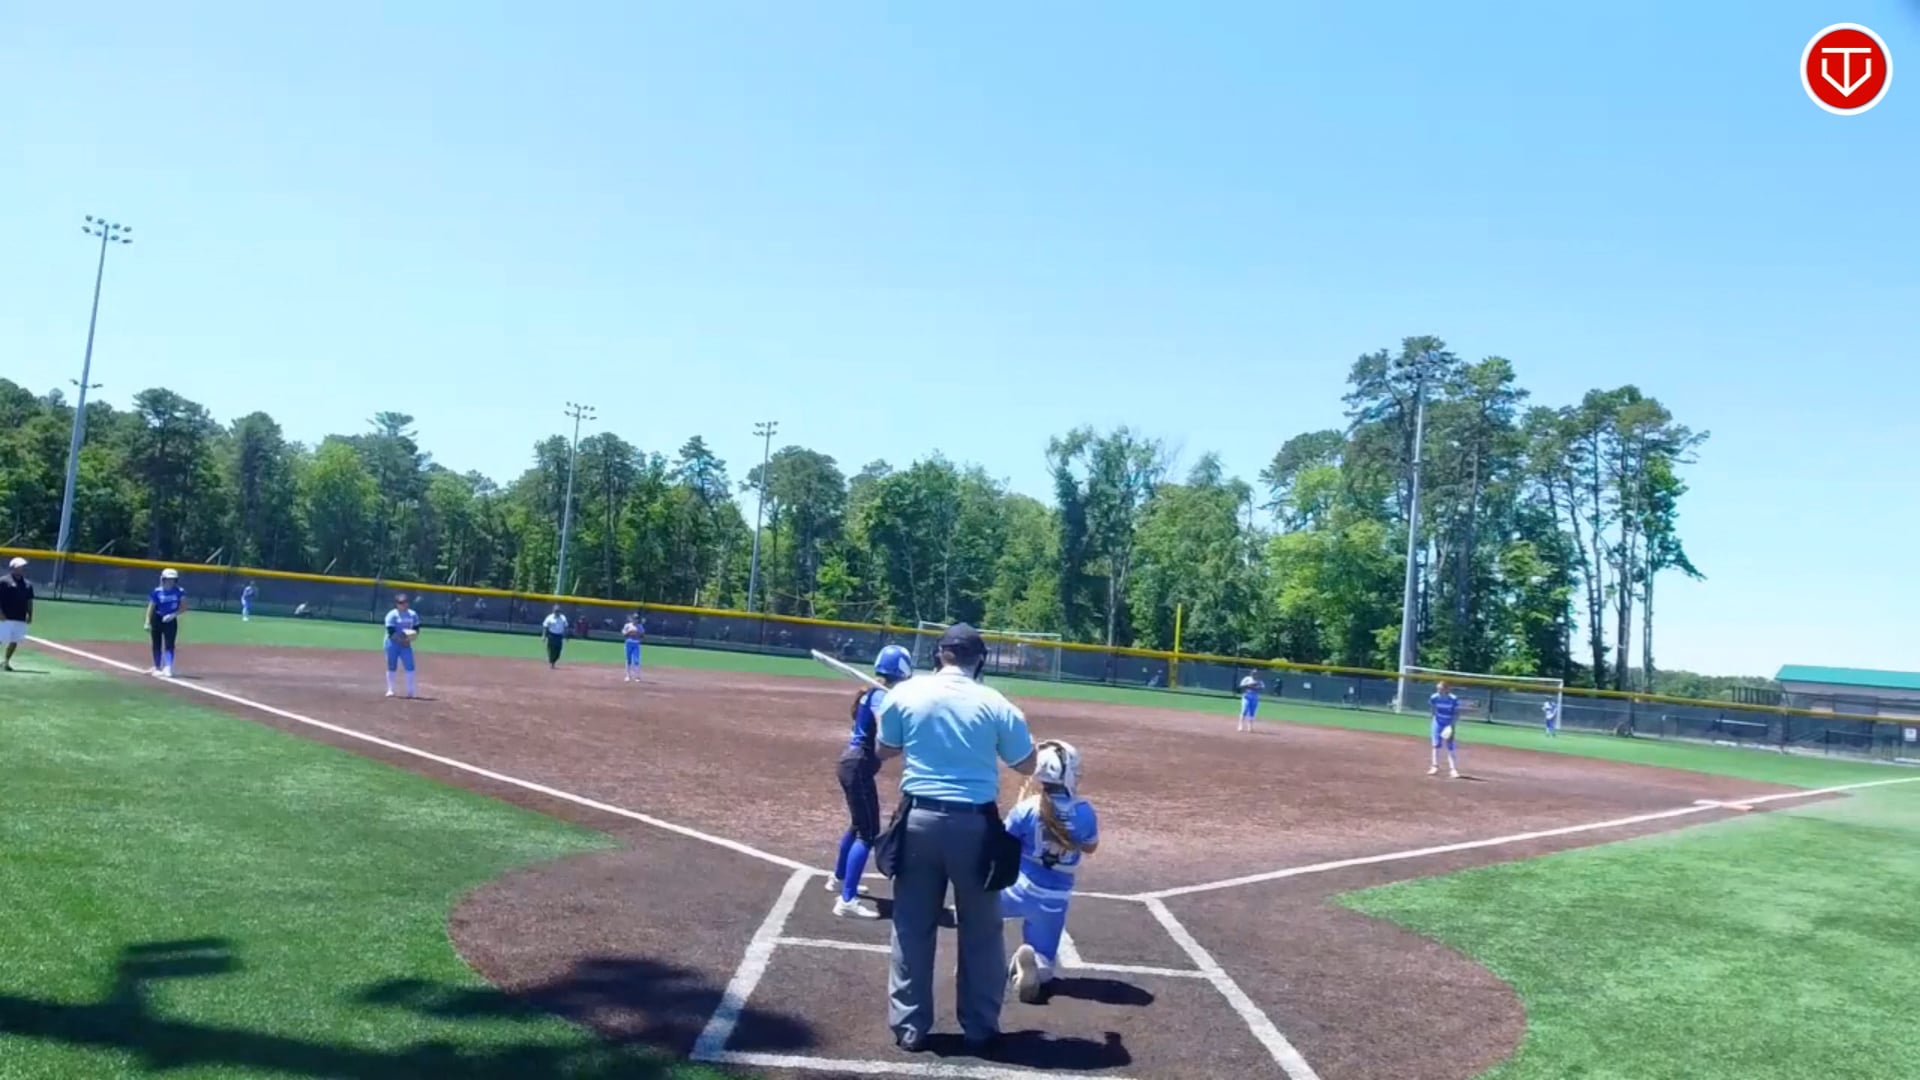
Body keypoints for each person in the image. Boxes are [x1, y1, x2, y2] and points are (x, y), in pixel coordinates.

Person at [876, 623, 1036, 1054]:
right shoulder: (996, 703)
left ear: (938, 655)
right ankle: (980, 1028)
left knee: (912, 927)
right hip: (975, 829)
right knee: (982, 931)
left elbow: (885, 748)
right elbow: (1026, 764)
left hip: (918, 823)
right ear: (979, 660)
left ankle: (909, 1027)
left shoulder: (906, 693)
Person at [1000, 739, 1099, 1004]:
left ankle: (976, 960)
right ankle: (1034, 964)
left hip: (1016, 888)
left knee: (978, 913)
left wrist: (1018, 810)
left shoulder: (1027, 808)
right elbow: (1090, 847)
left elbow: (1003, 842)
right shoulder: (1084, 812)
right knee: (1045, 958)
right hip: (1054, 899)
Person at [828, 644, 914, 919]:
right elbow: (884, 731)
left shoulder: (875, 693)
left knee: (858, 825)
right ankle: (847, 900)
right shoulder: (879, 696)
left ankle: (839, 878)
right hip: (858, 767)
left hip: (852, 765)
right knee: (867, 833)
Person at [144, 568, 186, 678]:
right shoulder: (157, 591)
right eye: (168, 579)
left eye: (173, 579)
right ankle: (157, 667)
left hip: (170, 620)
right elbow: (151, 607)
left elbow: (183, 607)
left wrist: (172, 615)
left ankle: (168, 667)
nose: (170, 581)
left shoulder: (179, 591)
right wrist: (147, 621)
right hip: (157, 618)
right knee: (156, 643)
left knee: (169, 643)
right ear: (163, 579)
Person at [383, 593, 422, 698]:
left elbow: (416, 629)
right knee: (392, 665)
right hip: (392, 643)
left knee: (410, 666)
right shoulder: (392, 615)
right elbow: (391, 632)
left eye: (405, 602)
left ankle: (410, 691)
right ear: (397, 604)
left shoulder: (413, 614)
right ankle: (390, 690)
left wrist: (410, 639)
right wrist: (402, 641)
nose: (404, 604)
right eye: (401, 603)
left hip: (406, 644)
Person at [1, 557, 34, 671]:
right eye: (20, 566)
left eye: (23, 566)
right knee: (1, 638)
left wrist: (30, 614)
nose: (22, 568)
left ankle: (6, 662)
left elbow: (29, 601)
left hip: (20, 617)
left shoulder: (28, 584)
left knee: (15, 640)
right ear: (13, 567)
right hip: (6, 616)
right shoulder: (4, 581)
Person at [1429, 681, 1462, 778]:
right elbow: (1433, 709)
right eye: (1438, 688)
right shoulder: (1434, 697)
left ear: (1446, 689)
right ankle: (1434, 767)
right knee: (1436, 744)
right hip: (1438, 722)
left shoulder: (1453, 698)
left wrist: (1451, 726)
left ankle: (1453, 770)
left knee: (1450, 746)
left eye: (1440, 689)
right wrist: (1434, 720)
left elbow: (1457, 713)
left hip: (1449, 722)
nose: (1438, 690)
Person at [622, 613, 646, 682]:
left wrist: (638, 633)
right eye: (634, 618)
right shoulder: (627, 625)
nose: (635, 620)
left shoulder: (640, 626)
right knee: (628, 660)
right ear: (632, 619)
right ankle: (628, 676)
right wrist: (629, 632)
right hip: (628, 643)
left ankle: (637, 676)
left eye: (637, 619)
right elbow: (624, 634)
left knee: (636, 661)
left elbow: (643, 636)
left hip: (636, 644)